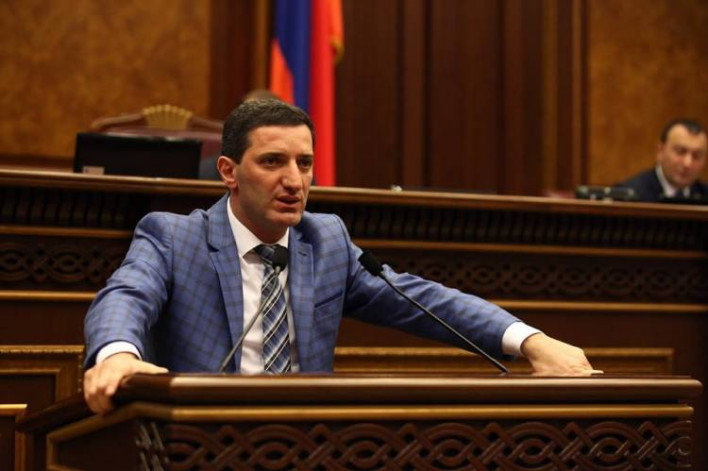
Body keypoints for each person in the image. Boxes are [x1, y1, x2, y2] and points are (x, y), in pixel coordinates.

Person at [83, 99, 600, 414]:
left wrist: (530, 341)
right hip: (199, 441)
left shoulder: (324, 240)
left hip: (308, 443)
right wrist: (117, 354)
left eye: (305, 163)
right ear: (228, 171)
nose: (294, 181)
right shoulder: (174, 237)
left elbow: (423, 300)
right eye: (273, 162)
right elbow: (126, 296)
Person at [617, 118, 708, 202]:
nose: (687, 163)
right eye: (680, 152)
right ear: (660, 151)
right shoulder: (630, 195)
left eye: (697, 156)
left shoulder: (704, 194)